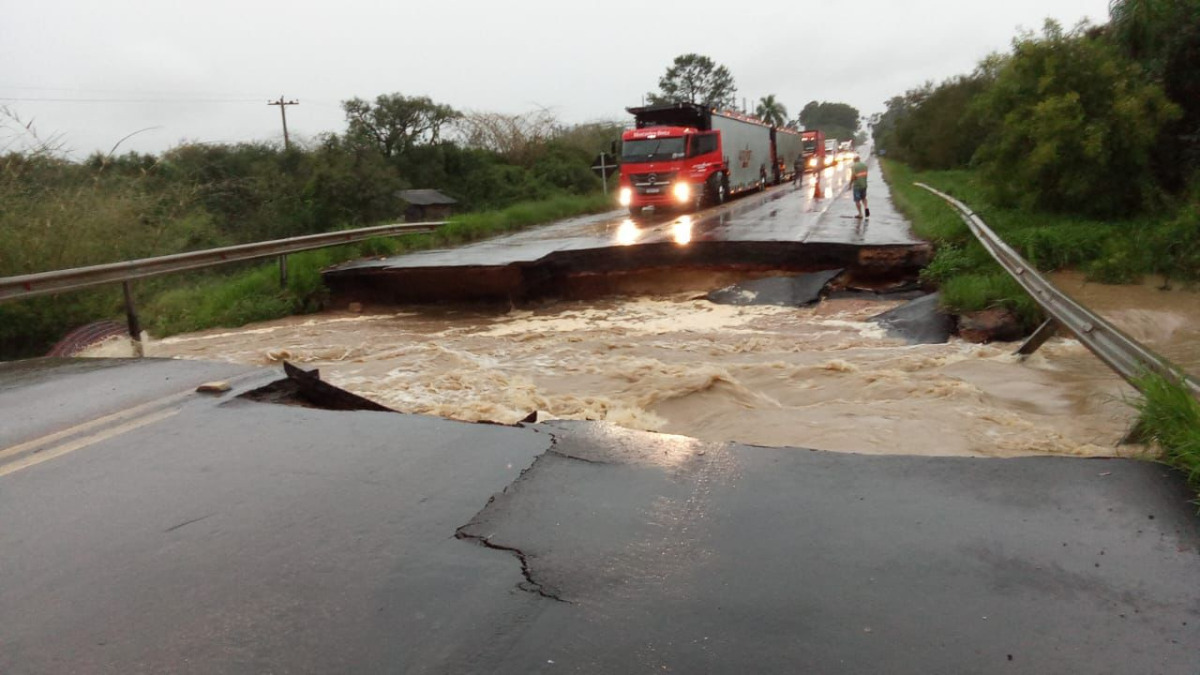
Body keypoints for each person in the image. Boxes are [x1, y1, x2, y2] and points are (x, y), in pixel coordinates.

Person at [851, 155, 870, 219]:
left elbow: (853, 176)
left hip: (857, 185)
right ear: (859, 159)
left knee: (857, 200)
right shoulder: (864, 165)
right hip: (864, 184)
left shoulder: (854, 166)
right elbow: (866, 175)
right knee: (864, 198)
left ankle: (860, 214)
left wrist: (850, 184)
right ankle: (866, 208)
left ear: (854, 160)